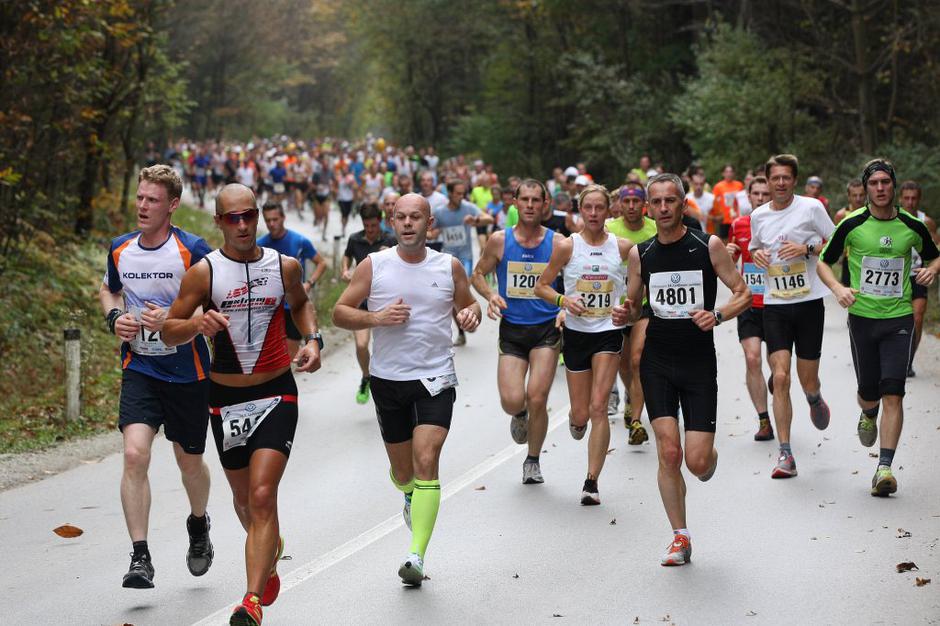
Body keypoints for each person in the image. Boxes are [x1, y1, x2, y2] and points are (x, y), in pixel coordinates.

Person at [163, 184, 323, 626]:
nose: (242, 225)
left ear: (257, 217)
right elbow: (168, 331)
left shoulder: (283, 266)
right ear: (217, 221)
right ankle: (268, 552)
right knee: (244, 504)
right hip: (226, 400)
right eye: (231, 218)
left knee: (262, 493)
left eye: (248, 216)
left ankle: (250, 602)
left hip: (276, 393)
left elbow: (303, 304)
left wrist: (312, 339)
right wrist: (196, 324)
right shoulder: (204, 274)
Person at [332, 193, 481, 586]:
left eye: (417, 217)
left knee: (426, 458)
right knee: (403, 472)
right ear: (391, 222)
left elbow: (470, 306)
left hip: (435, 378)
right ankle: (409, 493)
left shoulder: (448, 266)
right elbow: (339, 312)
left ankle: (416, 554)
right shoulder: (374, 265)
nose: (409, 223)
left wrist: (470, 314)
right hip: (387, 380)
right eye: (402, 217)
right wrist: (376, 317)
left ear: (430, 223)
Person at [616, 173, 750, 566]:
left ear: (683, 203)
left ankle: (708, 457)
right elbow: (635, 303)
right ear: (647, 206)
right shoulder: (641, 254)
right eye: (655, 202)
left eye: (669, 201)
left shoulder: (707, 246)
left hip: (697, 362)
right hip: (657, 360)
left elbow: (742, 293)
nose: (662, 208)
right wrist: (624, 311)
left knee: (695, 461)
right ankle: (680, 536)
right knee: (669, 452)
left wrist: (719, 314)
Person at [100, 165, 214, 590]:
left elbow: (213, 308)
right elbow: (110, 289)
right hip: (141, 368)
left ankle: (199, 523)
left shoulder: (191, 250)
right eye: (139, 198)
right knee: (135, 455)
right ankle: (140, 557)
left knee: (189, 463)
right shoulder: (120, 248)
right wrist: (115, 317)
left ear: (172, 205)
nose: (142, 206)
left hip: (187, 372)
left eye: (152, 200)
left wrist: (173, 317)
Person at [817, 159, 939, 496]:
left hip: (899, 317)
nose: (881, 188)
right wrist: (839, 289)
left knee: (894, 391)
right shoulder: (853, 223)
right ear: (866, 188)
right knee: (869, 392)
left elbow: (934, 254)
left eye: (886, 182)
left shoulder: (912, 225)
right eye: (874, 183)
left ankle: (884, 467)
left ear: (894, 186)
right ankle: (868, 412)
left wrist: (933, 270)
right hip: (863, 318)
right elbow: (825, 262)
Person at [535, 184, 633, 505]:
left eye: (599, 208)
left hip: (607, 332)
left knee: (598, 406)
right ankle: (578, 424)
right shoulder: (567, 246)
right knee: (580, 415)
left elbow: (636, 291)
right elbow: (542, 286)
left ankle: (591, 481)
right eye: (587, 208)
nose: (593, 214)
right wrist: (564, 300)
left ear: (608, 211)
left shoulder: (622, 248)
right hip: (577, 334)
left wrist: (627, 307)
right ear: (580, 211)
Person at [749, 154, 835, 479]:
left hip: (810, 303)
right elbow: (756, 248)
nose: (781, 183)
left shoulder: (811, 208)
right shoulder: (758, 215)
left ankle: (813, 396)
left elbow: (836, 244)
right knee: (781, 377)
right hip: (776, 305)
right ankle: (785, 453)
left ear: (794, 180)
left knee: (806, 377)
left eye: (786, 177)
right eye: (775, 178)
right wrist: (756, 253)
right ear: (767, 181)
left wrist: (807, 250)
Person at [471, 180, 563, 484]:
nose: (530, 205)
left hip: (546, 329)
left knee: (538, 396)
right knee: (512, 400)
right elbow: (477, 274)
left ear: (545, 204)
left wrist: (564, 306)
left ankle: (533, 460)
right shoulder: (500, 240)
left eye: (537, 200)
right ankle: (519, 414)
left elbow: (574, 280)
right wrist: (490, 296)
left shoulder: (558, 242)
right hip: (513, 329)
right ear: (515, 203)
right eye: (525, 199)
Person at [604, 185, 657, 444]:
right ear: (620, 204)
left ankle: (636, 420)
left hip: (645, 304)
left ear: (645, 204)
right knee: (623, 364)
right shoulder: (609, 231)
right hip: (616, 305)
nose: (633, 205)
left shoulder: (654, 229)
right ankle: (629, 395)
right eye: (628, 201)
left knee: (637, 360)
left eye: (638, 201)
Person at [726, 176, 774, 441]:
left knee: (778, 368)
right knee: (753, 358)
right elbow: (730, 264)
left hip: (778, 303)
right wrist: (729, 252)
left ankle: (776, 378)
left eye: (764, 193)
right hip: (749, 303)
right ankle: (764, 420)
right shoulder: (738, 225)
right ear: (748, 196)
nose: (760, 198)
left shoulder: (783, 224)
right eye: (755, 193)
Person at [342, 203, 397, 404]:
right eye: (367, 225)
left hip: (385, 303)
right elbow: (347, 256)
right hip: (362, 303)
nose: (371, 229)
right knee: (361, 345)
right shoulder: (355, 239)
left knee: (389, 349)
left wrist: (388, 254)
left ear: (380, 221)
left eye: (373, 225)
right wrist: (345, 270)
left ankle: (391, 384)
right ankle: (366, 377)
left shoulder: (391, 240)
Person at [258, 202, 327, 359]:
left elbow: (321, 263)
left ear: (283, 217)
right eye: (268, 220)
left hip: (293, 307)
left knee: (288, 355)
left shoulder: (299, 241)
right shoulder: (260, 245)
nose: (272, 224)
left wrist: (309, 283)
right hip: (269, 308)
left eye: (275, 219)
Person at [430, 179, 494, 346]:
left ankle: (468, 317)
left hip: (465, 258)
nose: (461, 196)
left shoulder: (467, 208)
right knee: (451, 296)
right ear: (449, 193)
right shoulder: (440, 212)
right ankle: (461, 330)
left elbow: (489, 219)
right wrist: (433, 233)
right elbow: (429, 230)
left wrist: (476, 221)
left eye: (462, 193)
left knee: (462, 290)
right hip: (447, 258)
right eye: (457, 193)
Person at [897, 180, 939, 376]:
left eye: (914, 198)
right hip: (896, 277)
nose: (910, 202)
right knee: (895, 320)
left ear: (919, 199)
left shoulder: (927, 222)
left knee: (917, 318)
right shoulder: (893, 218)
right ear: (900, 199)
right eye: (906, 198)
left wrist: (931, 270)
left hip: (918, 275)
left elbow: (936, 251)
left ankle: (908, 362)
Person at [834, 179, 868, 287]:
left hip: (869, 259)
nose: (858, 199)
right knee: (849, 296)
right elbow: (836, 240)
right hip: (849, 260)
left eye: (861, 195)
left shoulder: (873, 213)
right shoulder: (841, 215)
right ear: (849, 196)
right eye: (854, 195)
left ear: (866, 195)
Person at [710, 164, 743, 240]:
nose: (729, 174)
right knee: (724, 241)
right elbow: (714, 203)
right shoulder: (718, 186)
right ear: (723, 173)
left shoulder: (739, 185)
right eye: (727, 171)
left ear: (734, 173)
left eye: (731, 171)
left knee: (737, 240)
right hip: (724, 219)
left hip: (737, 218)